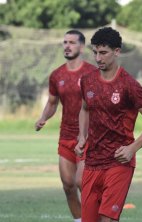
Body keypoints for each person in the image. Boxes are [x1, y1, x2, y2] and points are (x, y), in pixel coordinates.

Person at [74, 27, 142, 222]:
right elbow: (84, 108)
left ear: (117, 52)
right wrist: (82, 136)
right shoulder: (87, 81)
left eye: (104, 53)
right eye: (95, 53)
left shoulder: (129, 85)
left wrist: (133, 148)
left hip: (119, 162)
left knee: (108, 219)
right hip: (92, 162)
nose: (98, 58)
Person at [35, 30, 97, 222]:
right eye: (65, 42)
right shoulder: (56, 75)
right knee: (68, 185)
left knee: (81, 182)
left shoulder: (92, 73)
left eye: (72, 42)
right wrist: (43, 117)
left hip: (88, 137)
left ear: (81, 46)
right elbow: (52, 103)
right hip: (66, 136)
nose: (67, 46)